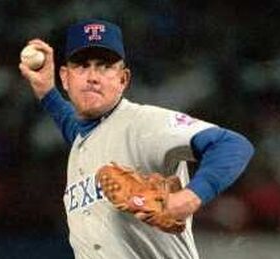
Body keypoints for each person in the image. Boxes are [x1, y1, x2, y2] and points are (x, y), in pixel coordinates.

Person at [19, 19, 254, 259]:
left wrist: (188, 198)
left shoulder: (144, 124)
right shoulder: (84, 134)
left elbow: (232, 145)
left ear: (123, 79)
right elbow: (74, 124)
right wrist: (47, 92)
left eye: (104, 66)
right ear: (66, 78)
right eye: (82, 66)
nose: (92, 77)